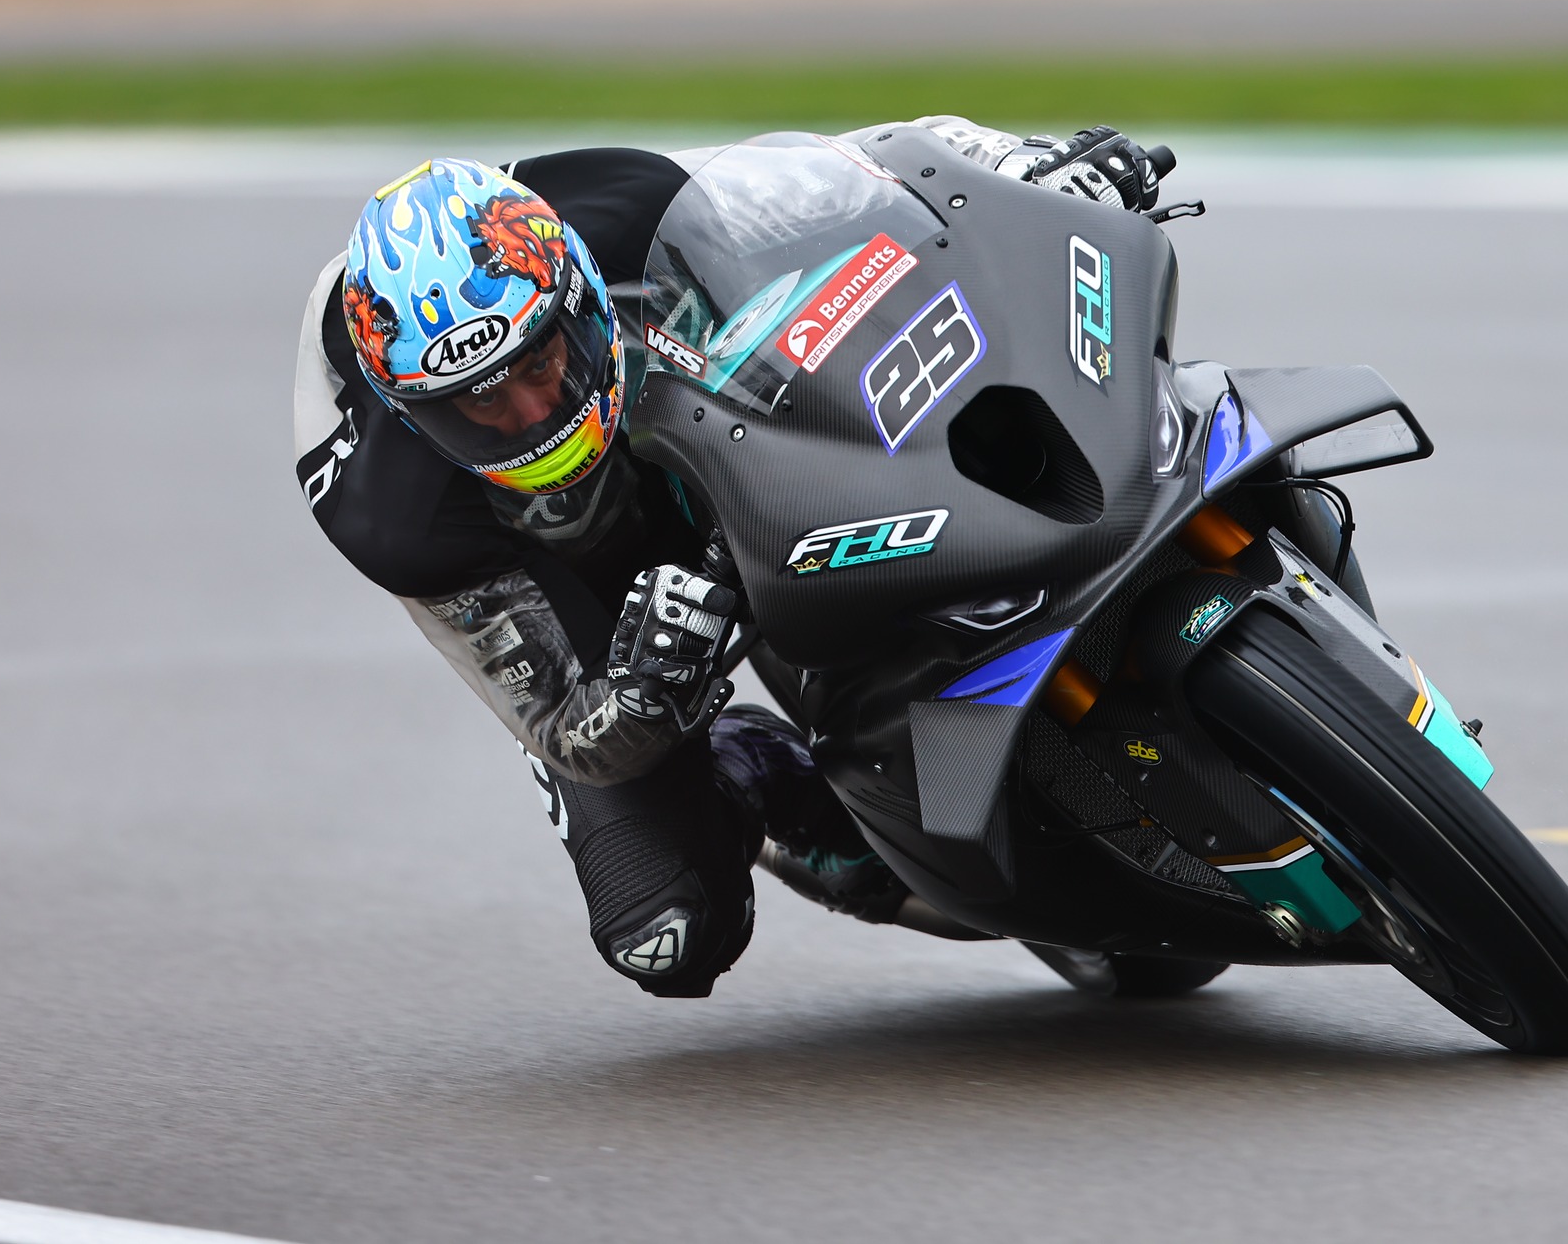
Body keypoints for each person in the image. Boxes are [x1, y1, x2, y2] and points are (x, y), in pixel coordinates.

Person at [291, 118, 1164, 997]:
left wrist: (1018, 163)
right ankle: (765, 782)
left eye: (543, 363)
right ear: (413, 413)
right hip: (565, 578)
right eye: (479, 407)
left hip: (689, 407)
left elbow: (872, 165)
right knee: (666, 929)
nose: (530, 415)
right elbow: (561, 725)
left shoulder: (617, 206)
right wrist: (640, 693)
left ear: (577, 293)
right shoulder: (392, 513)